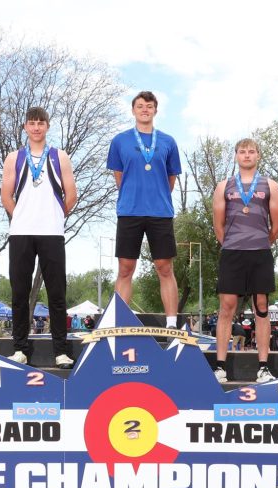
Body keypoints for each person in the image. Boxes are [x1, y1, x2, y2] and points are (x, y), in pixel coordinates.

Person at [106, 90, 182, 327]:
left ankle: (171, 323)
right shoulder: (120, 141)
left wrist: (155, 196)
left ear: (155, 111)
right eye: (140, 106)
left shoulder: (168, 142)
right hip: (129, 211)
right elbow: (120, 177)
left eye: (149, 106)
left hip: (160, 211)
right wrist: (135, 195)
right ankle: (120, 321)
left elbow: (171, 179)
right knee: (125, 268)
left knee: (165, 267)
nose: (145, 110)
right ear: (133, 110)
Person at [211, 138, 278, 383]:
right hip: (232, 252)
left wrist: (260, 243)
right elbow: (218, 225)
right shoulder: (224, 186)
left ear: (258, 156)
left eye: (251, 151)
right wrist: (232, 244)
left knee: (261, 308)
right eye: (242, 151)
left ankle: (263, 367)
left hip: (260, 252)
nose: (247, 155)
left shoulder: (270, 185)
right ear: (236, 156)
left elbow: (276, 226)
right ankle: (220, 366)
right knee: (226, 308)